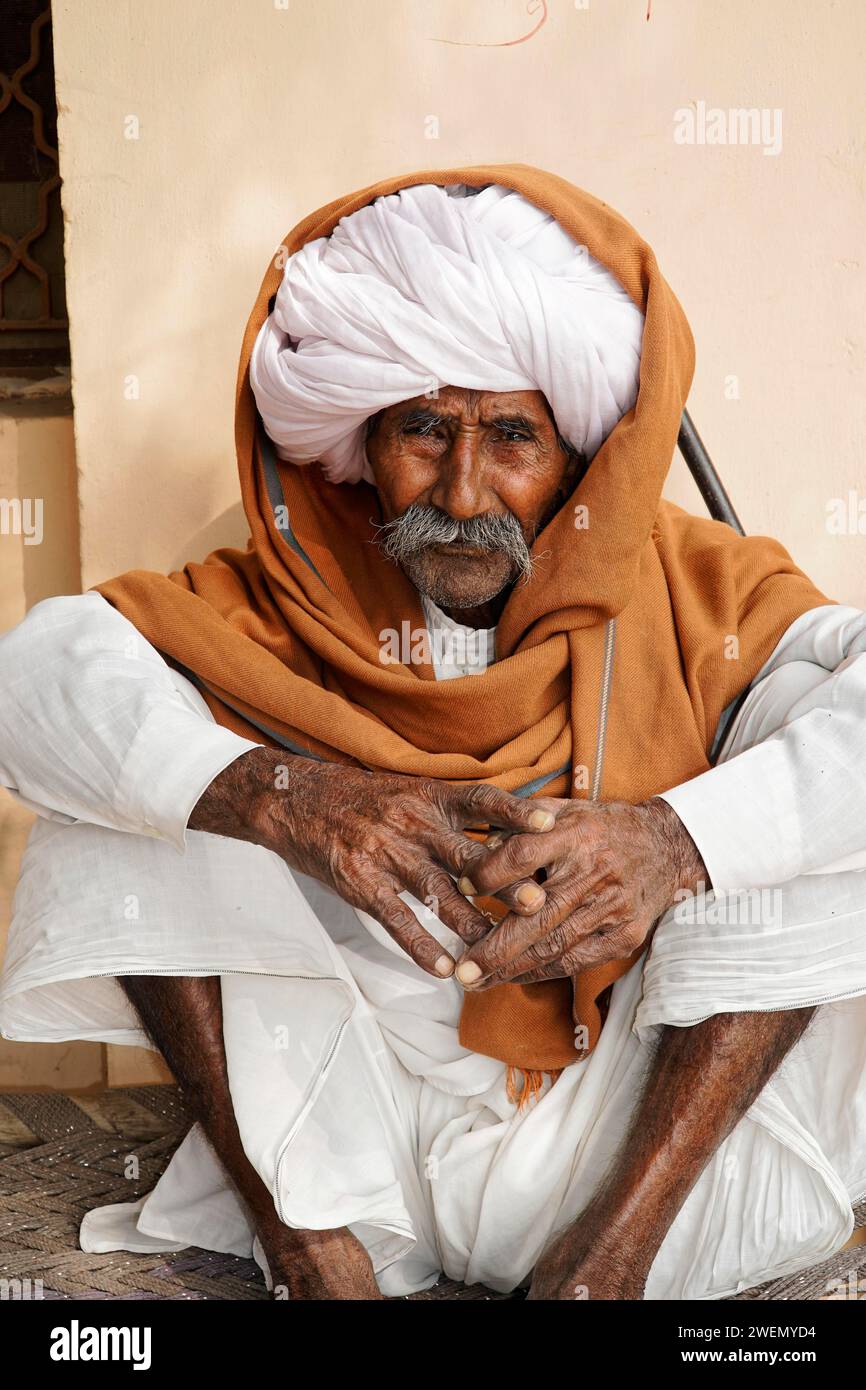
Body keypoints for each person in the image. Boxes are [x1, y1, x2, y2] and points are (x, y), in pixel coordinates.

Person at [2, 165, 866, 1301]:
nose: (460, 494)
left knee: (807, 841)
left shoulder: (697, 587)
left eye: (511, 434)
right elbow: (35, 673)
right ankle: (313, 1258)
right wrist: (292, 799)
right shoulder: (290, 584)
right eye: (421, 428)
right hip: (352, 1159)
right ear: (360, 437)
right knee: (128, 800)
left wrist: (671, 838)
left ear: (578, 456)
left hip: (645, 1165)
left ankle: (596, 1276)